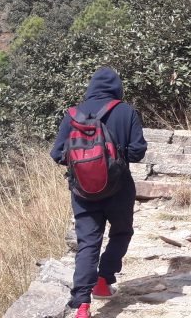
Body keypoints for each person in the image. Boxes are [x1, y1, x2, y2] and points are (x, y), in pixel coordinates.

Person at [50, 67, 147, 318]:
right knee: (122, 231)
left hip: (83, 191)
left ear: (91, 87)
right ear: (117, 88)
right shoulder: (126, 112)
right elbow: (137, 152)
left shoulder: (72, 114)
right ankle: (104, 279)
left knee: (88, 243)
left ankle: (82, 305)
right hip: (119, 188)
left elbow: (57, 154)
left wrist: (83, 163)